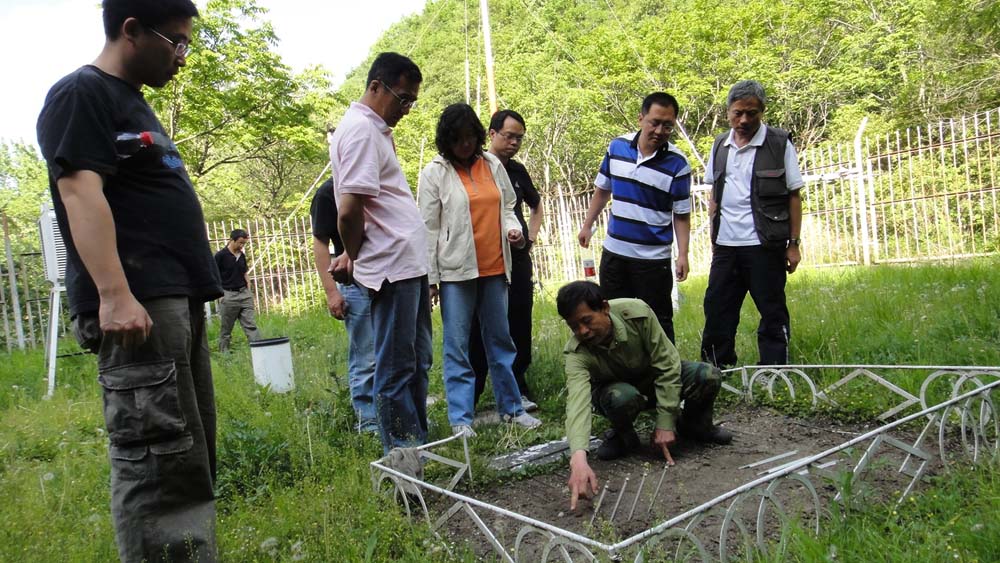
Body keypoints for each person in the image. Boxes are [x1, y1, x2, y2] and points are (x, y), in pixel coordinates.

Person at [36, 0, 219, 560]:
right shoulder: (81, 93)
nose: (183, 57)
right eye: (176, 42)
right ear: (132, 29)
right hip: (137, 306)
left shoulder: (133, 104)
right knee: (158, 462)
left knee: (187, 457)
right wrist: (114, 294)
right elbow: (78, 191)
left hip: (170, 302)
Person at [329, 52, 432, 454]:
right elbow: (349, 210)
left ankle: (416, 447)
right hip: (391, 266)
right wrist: (352, 254)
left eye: (411, 102)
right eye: (402, 99)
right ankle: (403, 457)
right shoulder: (360, 131)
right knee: (394, 368)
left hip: (407, 263)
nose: (406, 109)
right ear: (375, 87)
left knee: (416, 360)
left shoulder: (373, 130)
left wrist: (351, 252)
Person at [418, 103, 542, 437]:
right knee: (457, 346)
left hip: (496, 268)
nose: (465, 145)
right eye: (457, 139)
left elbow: (508, 206)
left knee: (501, 341)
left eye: (470, 137)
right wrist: (431, 279)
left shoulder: (492, 165)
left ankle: (512, 409)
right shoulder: (434, 172)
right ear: (447, 140)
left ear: (478, 136)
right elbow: (428, 228)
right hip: (455, 273)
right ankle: (461, 419)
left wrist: (513, 230)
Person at [556, 281, 731, 510]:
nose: (582, 332)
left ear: (604, 308)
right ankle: (623, 435)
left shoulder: (637, 314)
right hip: (617, 393)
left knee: (708, 375)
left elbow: (667, 366)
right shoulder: (576, 353)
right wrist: (578, 458)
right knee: (621, 397)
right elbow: (577, 403)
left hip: (653, 380)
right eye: (574, 326)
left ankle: (695, 425)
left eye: (587, 321)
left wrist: (665, 422)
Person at [700, 80, 805, 368]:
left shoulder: (779, 143)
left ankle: (774, 370)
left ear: (762, 111)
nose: (744, 120)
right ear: (728, 112)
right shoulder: (720, 145)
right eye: (738, 113)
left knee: (772, 310)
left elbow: (794, 196)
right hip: (726, 246)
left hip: (765, 244)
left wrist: (793, 244)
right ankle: (715, 369)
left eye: (751, 113)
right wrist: (713, 237)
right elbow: (714, 196)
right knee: (717, 308)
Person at [577, 92, 692, 344]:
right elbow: (602, 189)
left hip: (653, 260)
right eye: (654, 122)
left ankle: (665, 368)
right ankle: (620, 367)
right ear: (641, 118)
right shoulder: (616, 147)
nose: (660, 131)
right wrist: (587, 225)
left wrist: (683, 254)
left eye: (667, 125)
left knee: (657, 322)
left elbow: (682, 214)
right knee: (612, 318)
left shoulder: (678, 164)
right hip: (615, 254)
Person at [470, 109, 543, 411]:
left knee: (519, 319)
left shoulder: (518, 171)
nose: (514, 142)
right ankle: (472, 393)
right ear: (492, 134)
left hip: (518, 258)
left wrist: (531, 238)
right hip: (482, 260)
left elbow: (536, 205)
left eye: (519, 138)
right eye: (509, 136)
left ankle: (518, 387)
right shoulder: (474, 167)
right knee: (477, 326)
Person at [310, 175, 377, 433]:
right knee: (365, 357)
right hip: (355, 282)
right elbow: (320, 242)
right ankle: (369, 423)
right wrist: (331, 292)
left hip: (390, 276)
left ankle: (397, 418)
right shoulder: (328, 192)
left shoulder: (380, 181)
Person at [214, 229, 261, 352]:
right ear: (232, 240)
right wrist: (220, 295)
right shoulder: (220, 256)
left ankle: (259, 351)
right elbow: (214, 275)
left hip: (244, 294)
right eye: (240, 242)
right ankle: (224, 353)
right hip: (228, 295)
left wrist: (249, 290)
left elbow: (245, 273)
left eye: (244, 243)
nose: (242, 246)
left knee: (251, 325)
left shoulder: (242, 255)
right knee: (226, 328)